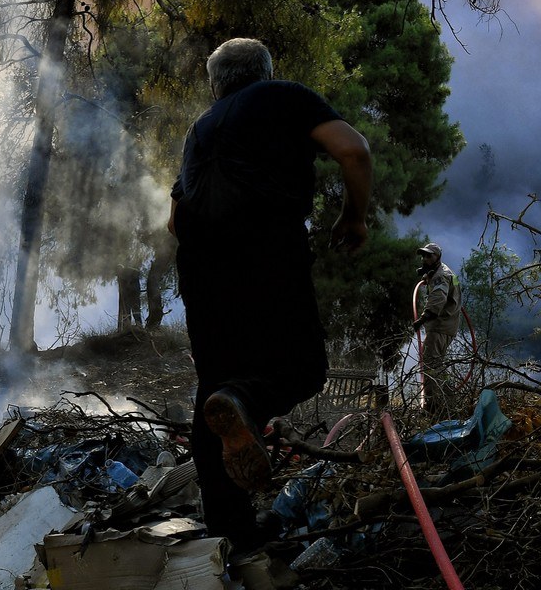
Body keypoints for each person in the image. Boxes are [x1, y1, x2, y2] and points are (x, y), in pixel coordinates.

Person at [166, 38, 372, 554]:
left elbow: (173, 220)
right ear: (264, 71)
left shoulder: (199, 129)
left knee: (213, 388)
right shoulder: (284, 96)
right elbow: (353, 150)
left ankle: (230, 540)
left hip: (199, 268)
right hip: (266, 251)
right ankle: (243, 401)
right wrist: (354, 216)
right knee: (303, 368)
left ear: (216, 84)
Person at [413, 242, 462, 416]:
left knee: (430, 365)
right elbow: (453, 287)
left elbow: (439, 299)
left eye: (429, 255)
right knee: (437, 365)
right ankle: (448, 403)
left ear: (437, 257)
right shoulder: (445, 272)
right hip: (447, 326)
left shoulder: (441, 276)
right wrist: (429, 276)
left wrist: (423, 318)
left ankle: (434, 408)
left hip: (440, 326)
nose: (425, 259)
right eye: (424, 255)